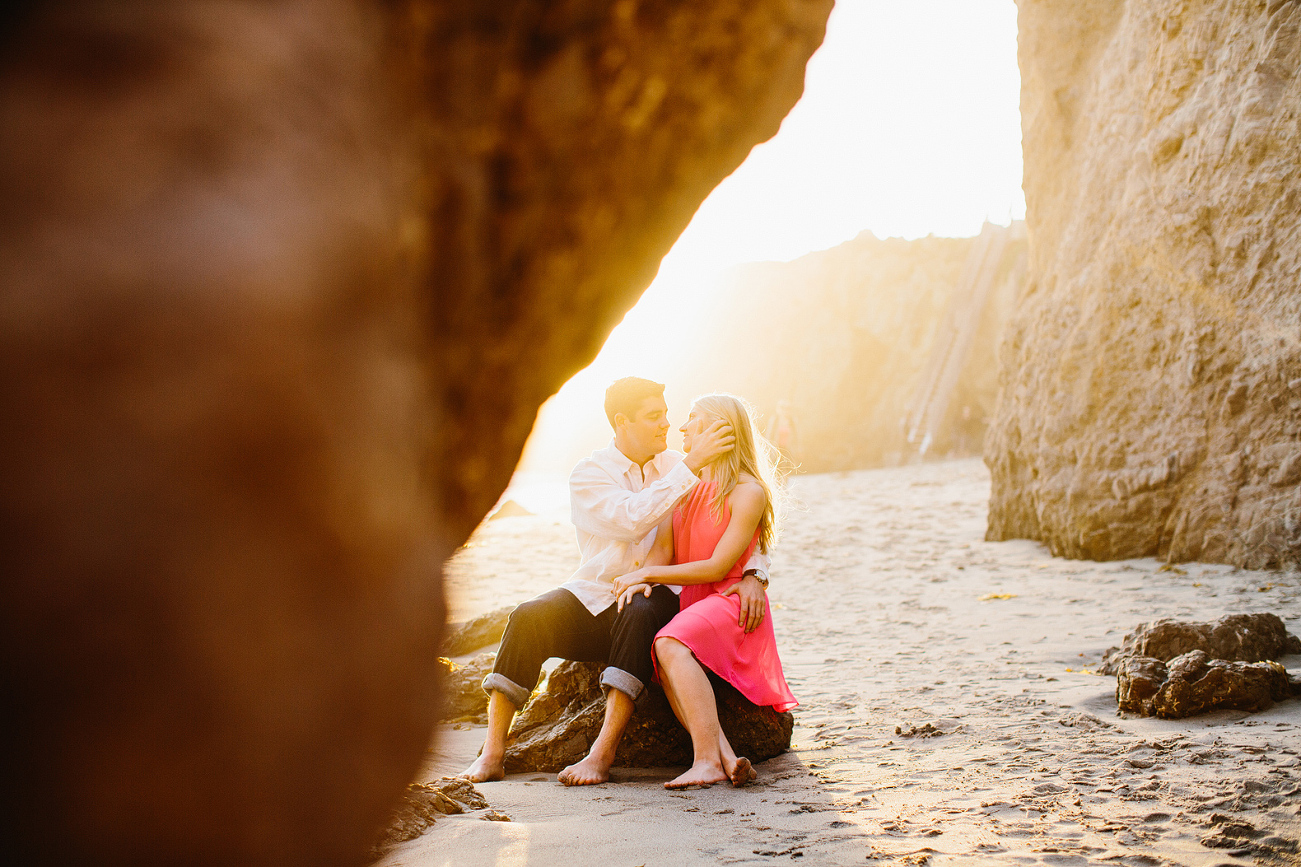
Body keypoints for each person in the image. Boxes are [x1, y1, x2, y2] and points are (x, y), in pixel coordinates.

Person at [461, 378, 771, 785]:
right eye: (654, 416)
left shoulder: (682, 463)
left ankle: (600, 755)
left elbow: (734, 514)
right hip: (597, 593)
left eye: (665, 413)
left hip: (655, 598)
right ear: (622, 422)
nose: (667, 424)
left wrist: (754, 574)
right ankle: (493, 754)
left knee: (640, 610)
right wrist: (689, 466)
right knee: (526, 617)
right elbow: (630, 519)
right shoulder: (590, 474)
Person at [614, 393, 797, 789]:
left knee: (667, 644)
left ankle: (704, 762)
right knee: (662, 663)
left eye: (692, 418)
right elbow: (663, 550)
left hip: (729, 602)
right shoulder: (682, 485)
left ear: (720, 429)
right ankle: (726, 759)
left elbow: (717, 566)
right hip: (695, 602)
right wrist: (635, 576)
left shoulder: (748, 491)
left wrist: (647, 576)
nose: (681, 427)